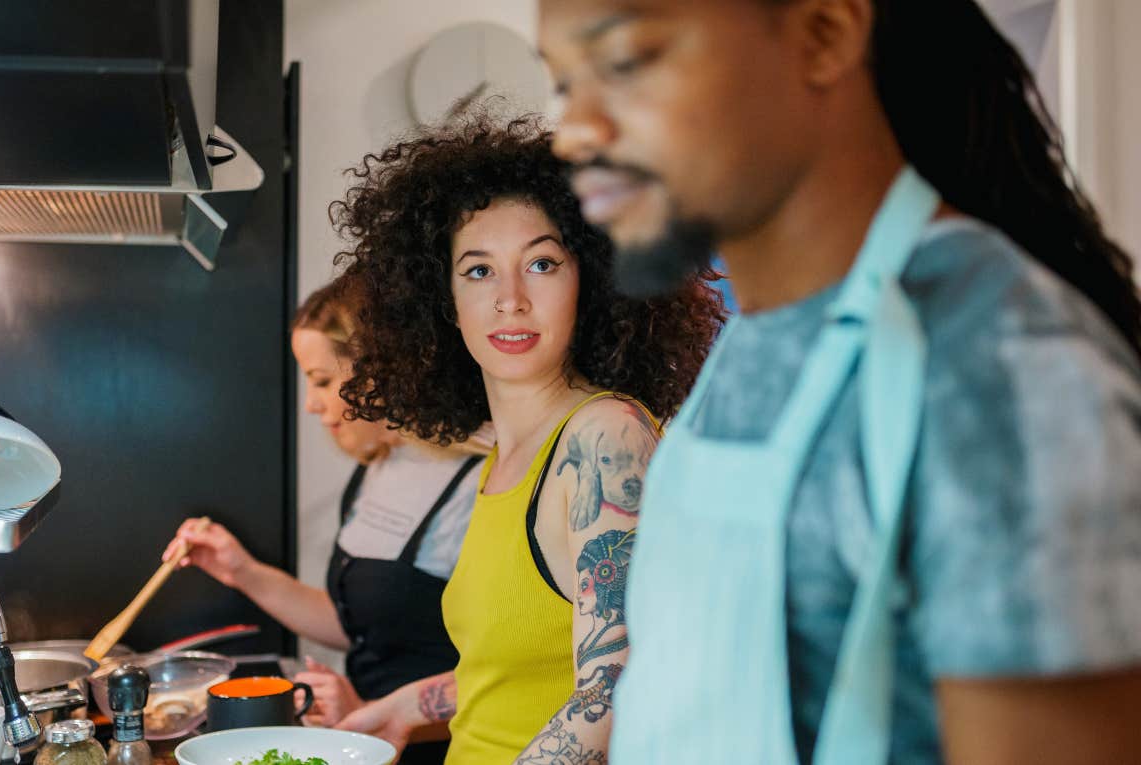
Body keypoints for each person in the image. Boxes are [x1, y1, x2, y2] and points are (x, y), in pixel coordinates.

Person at [539, 0, 1141, 763]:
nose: (575, 130)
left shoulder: (1002, 367)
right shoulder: (755, 341)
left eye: (624, 61)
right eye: (562, 83)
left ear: (824, 35)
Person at [329, 115, 724, 763]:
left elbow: (612, 686)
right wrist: (406, 706)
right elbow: (523, 666)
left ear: (591, 281)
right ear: (443, 298)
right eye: (478, 271)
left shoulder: (604, 437)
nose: (510, 298)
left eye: (541, 263)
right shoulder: (505, 456)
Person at [165, 274, 485, 765]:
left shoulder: (476, 483)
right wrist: (239, 570)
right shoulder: (375, 469)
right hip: (367, 743)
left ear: (381, 369)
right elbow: (358, 624)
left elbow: (506, 677)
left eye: (322, 381)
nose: (312, 405)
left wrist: (373, 711)